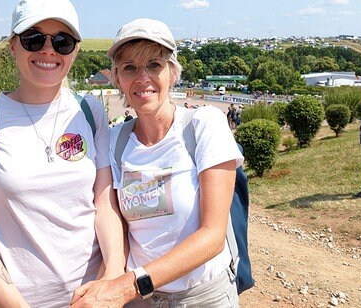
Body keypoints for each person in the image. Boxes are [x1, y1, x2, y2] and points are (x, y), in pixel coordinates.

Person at [0, 0, 125, 307]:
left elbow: (104, 204)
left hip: (93, 299)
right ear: (13, 45)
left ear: (75, 50)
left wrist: (112, 277)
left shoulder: (90, 111)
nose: (48, 51)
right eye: (34, 39)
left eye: (62, 42)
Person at [71, 18, 243, 307]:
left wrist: (127, 286)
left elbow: (212, 236)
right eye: (130, 68)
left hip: (202, 297)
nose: (142, 78)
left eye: (154, 65)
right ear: (117, 78)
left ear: (172, 73)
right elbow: (112, 217)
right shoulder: (115, 141)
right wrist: (112, 275)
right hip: (141, 300)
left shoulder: (203, 125)